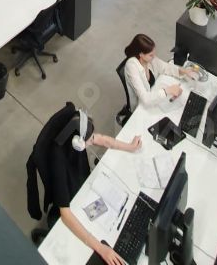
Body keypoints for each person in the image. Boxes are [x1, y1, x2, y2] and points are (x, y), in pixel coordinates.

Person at [27, 103, 141, 264]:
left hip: (82, 190)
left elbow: (103, 140)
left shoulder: (76, 133)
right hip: (69, 207)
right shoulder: (57, 160)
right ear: (77, 142)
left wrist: (129, 147)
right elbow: (65, 214)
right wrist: (101, 248)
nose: (92, 141)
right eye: (89, 140)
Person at [123, 34, 199, 109]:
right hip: (141, 106)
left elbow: (165, 67)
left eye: (154, 54)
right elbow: (145, 99)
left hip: (153, 93)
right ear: (141, 54)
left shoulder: (149, 59)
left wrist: (182, 71)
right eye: (151, 55)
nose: (154, 57)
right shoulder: (132, 66)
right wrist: (168, 91)